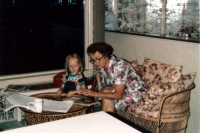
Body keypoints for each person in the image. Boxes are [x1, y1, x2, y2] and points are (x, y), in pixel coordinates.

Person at [80, 42, 147, 113]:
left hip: (137, 95)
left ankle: (106, 122)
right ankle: (107, 121)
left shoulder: (119, 65)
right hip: (123, 92)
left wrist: (94, 93)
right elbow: (108, 87)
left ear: (106, 55)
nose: (95, 63)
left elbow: (118, 95)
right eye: (93, 60)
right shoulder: (102, 68)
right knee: (105, 93)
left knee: (106, 94)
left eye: (98, 59)